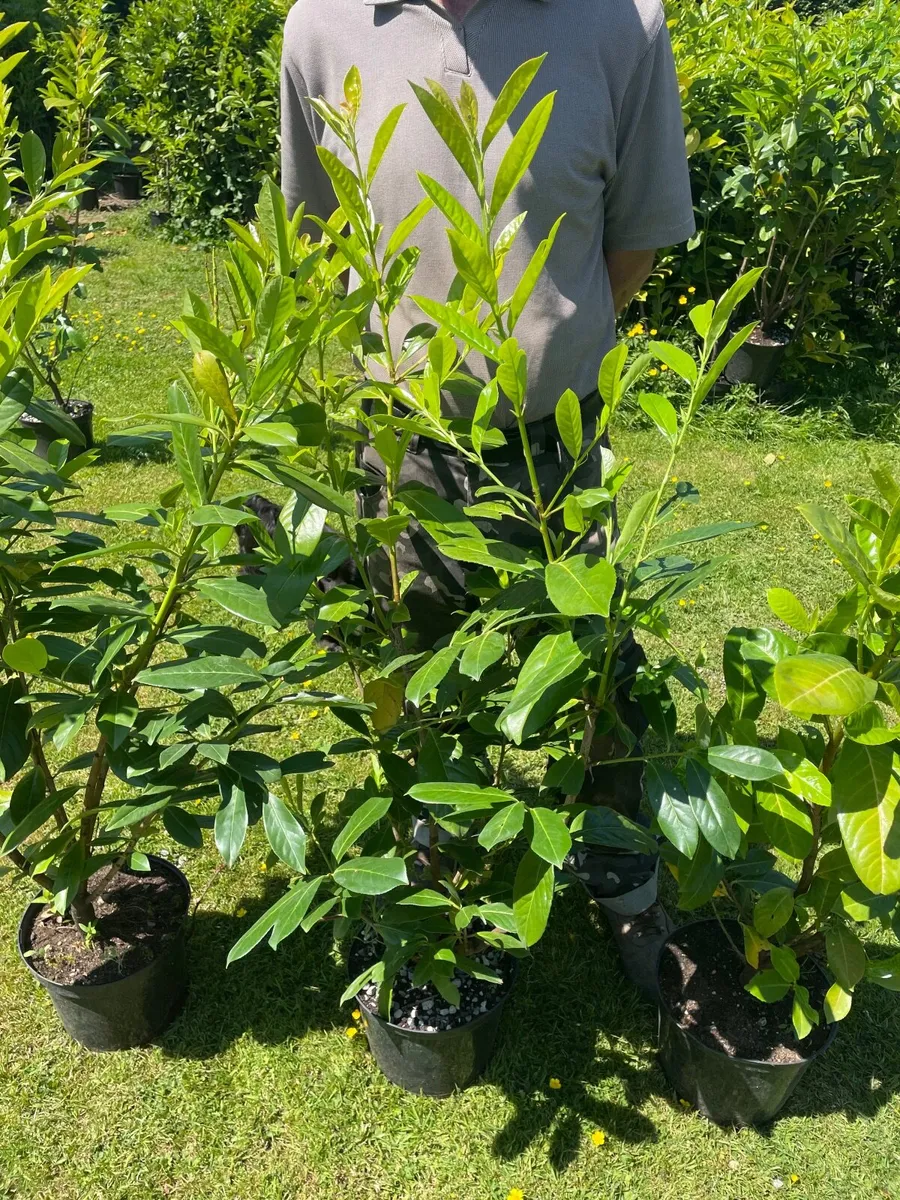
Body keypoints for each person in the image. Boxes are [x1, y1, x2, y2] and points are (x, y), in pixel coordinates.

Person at [280, 0, 696, 995]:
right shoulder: (320, 28)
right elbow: (318, 242)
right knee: (412, 668)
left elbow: (629, 247)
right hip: (402, 442)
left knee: (589, 670)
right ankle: (428, 870)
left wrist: (545, 348)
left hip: (557, 439)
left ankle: (615, 869)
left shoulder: (623, 23)